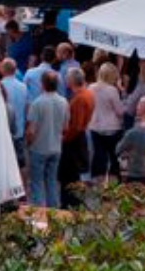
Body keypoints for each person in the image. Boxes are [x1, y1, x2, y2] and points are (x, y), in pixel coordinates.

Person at [26, 71, 70, 209]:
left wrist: (29, 142)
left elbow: (31, 130)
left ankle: (39, 211)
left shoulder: (37, 103)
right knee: (52, 180)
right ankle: (53, 211)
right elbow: (65, 127)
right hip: (56, 147)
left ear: (42, 84)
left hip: (39, 147)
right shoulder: (64, 102)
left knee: (37, 182)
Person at [60, 68, 94, 209]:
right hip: (79, 138)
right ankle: (74, 202)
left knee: (70, 176)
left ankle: (71, 204)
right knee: (74, 175)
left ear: (72, 81)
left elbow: (77, 126)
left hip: (74, 141)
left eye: (67, 78)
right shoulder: (88, 94)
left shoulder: (80, 98)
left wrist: (64, 139)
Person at [89, 62, 125, 180]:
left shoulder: (90, 88)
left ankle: (97, 187)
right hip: (113, 128)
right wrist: (123, 92)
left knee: (98, 159)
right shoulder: (112, 90)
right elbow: (120, 111)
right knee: (114, 160)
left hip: (95, 127)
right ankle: (113, 188)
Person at [117, 96, 145, 186]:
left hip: (135, 175)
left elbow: (118, 149)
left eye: (138, 105)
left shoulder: (134, 132)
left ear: (141, 109)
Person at [0, 59, 28, 164]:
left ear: (2, 70)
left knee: (5, 163)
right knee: (21, 163)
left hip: (4, 130)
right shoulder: (23, 87)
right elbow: (26, 107)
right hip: (19, 129)